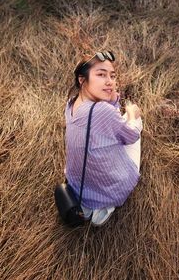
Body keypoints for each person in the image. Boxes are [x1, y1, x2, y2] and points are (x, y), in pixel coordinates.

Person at [64, 51, 143, 226]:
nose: (109, 81)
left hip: (77, 182)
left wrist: (113, 101)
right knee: (135, 122)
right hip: (109, 188)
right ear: (82, 79)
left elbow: (101, 121)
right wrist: (132, 115)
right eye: (101, 74)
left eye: (112, 76)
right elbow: (131, 135)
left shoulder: (70, 103)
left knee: (115, 128)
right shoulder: (102, 111)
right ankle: (106, 205)